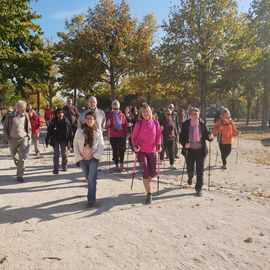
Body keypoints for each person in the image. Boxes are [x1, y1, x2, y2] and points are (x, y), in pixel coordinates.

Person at [131, 103, 162, 204]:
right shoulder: (138, 124)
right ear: (141, 113)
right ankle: (149, 194)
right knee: (145, 173)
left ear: (150, 111)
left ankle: (147, 183)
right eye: (143, 111)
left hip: (152, 151)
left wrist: (158, 145)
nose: (145, 113)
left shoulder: (156, 123)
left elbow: (158, 136)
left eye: (147, 111)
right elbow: (133, 137)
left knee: (152, 173)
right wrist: (135, 146)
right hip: (142, 152)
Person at [179, 107, 213, 196]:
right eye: (193, 114)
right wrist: (185, 144)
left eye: (196, 114)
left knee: (200, 170)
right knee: (190, 169)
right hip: (190, 150)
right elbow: (181, 138)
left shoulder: (202, 123)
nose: (195, 116)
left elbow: (207, 135)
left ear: (199, 115)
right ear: (190, 115)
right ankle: (190, 177)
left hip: (200, 150)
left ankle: (199, 188)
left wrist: (210, 137)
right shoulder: (186, 124)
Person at [73, 111, 105, 207]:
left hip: (94, 158)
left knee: (91, 179)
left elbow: (101, 146)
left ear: (94, 120)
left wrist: (96, 156)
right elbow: (75, 144)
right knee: (88, 178)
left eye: (91, 119)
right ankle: (92, 185)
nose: (89, 120)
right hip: (83, 158)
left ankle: (91, 201)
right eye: (87, 119)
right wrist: (78, 157)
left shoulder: (98, 132)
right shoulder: (79, 131)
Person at [3, 100, 31, 182]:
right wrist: (8, 138)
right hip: (12, 139)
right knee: (14, 156)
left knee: (22, 158)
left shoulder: (26, 116)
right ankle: (20, 167)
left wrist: (29, 136)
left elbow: (29, 127)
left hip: (23, 138)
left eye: (25, 108)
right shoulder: (10, 116)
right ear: (17, 107)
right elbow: (5, 128)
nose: (24, 110)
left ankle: (20, 175)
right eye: (23, 108)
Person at [45, 107, 73, 174]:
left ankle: (64, 166)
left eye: (61, 112)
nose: (60, 114)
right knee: (56, 155)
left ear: (63, 113)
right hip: (56, 140)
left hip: (64, 140)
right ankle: (55, 169)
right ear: (56, 114)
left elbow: (70, 132)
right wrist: (47, 140)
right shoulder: (53, 122)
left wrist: (71, 141)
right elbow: (49, 132)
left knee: (64, 155)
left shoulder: (66, 121)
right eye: (58, 113)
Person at [106, 100, 128, 171]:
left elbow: (125, 125)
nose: (116, 110)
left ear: (119, 108)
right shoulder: (110, 115)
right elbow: (107, 126)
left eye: (117, 108)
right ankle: (116, 164)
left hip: (121, 135)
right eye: (114, 108)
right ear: (112, 108)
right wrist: (108, 124)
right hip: (113, 135)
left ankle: (121, 163)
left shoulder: (122, 115)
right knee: (114, 150)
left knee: (122, 149)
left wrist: (126, 133)